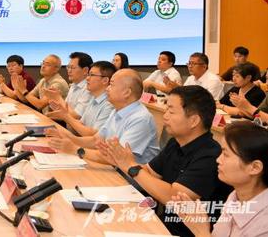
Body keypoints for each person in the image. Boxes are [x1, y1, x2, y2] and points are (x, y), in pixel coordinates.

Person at [100, 86, 230, 236]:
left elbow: (173, 197)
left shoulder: (210, 155)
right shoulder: (175, 143)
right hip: (163, 225)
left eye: (171, 111)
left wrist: (131, 166)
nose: (165, 116)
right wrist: (120, 161)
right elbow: (149, 172)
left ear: (194, 120)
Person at [170, 121, 268, 237]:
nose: (218, 160)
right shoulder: (235, 197)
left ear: (255, 167)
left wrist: (201, 232)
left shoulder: (264, 223)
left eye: (226, 155)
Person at [47, 69, 160, 165]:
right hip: (114, 169)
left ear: (127, 92)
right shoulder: (117, 110)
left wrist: (75, 149)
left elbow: (117, 157)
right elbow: (95, 140)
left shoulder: (140, 119)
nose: (107, 88)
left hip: (130, 179)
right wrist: (69, 139)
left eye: (111, 85)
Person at [45, 61, 116, 136]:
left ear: (105, 80)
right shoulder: (93, 99)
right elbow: (80, 125)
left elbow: (92, 135)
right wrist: (62, 117)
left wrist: (66, 117)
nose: (87, 78)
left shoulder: (109, 105)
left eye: (92, 75)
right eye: (88, 75)